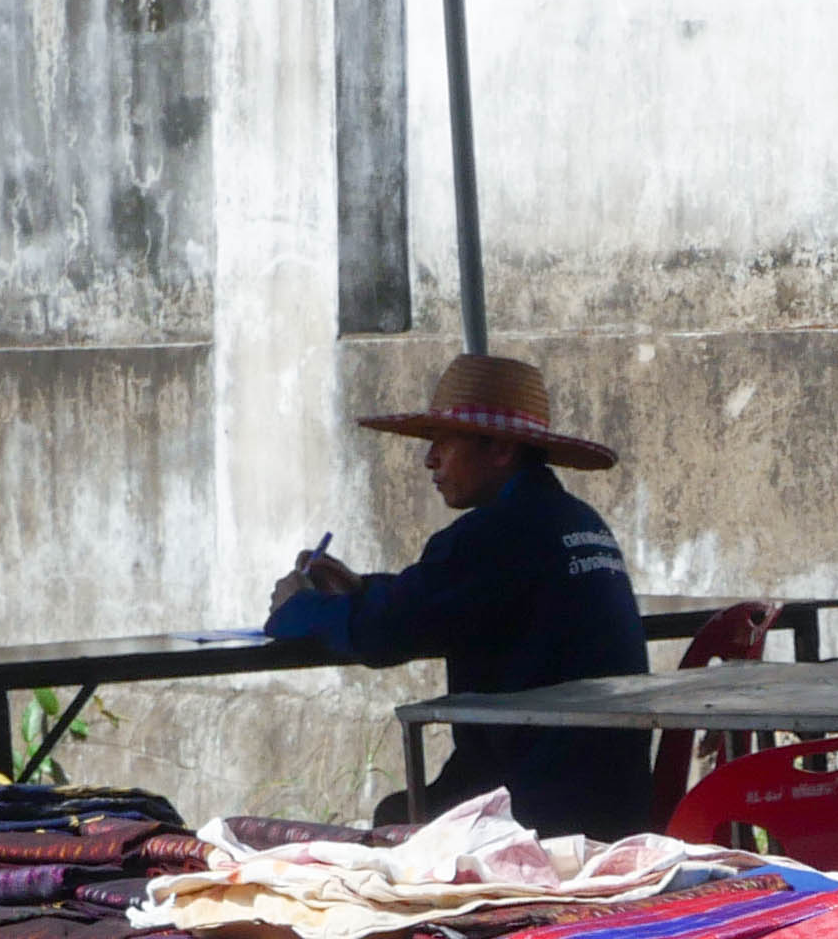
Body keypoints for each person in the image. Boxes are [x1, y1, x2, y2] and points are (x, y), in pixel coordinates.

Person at [273, 352, 652, 840]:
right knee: (403, 808)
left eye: (443, 442)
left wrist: (299, 608)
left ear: (500, 449)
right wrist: (362, 589)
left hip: (538, 804)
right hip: (614, 795)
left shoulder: (493, 534)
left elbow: (382, 635)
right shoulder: (577, 520)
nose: (429, 459)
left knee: (397, 818)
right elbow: (442, 597)